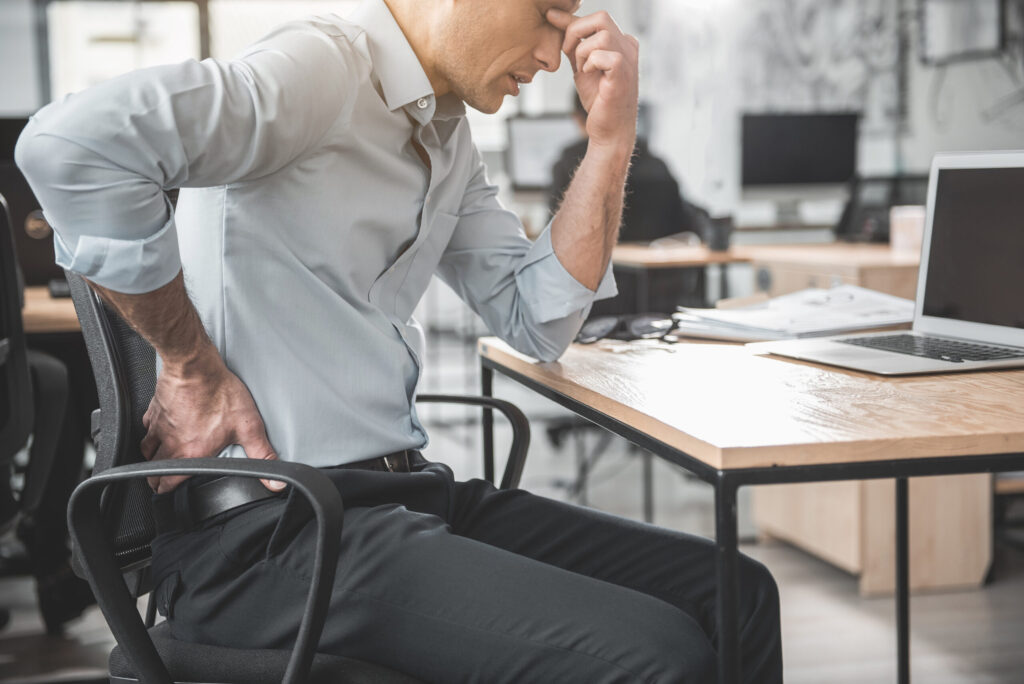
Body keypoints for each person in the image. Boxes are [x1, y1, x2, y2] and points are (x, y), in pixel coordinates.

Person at [16, 0, 781, 681]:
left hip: (397, 497)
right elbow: (70, 144)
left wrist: (610, 144)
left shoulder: (445, 138)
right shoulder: (321, 69)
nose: (555, 55)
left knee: (737, 594)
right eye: (548, 12)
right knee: (658, 656)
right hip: (272, 535)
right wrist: (188, 363)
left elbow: (538, 317)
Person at [549, 95, 709, 315]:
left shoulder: (569, 163)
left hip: (595, 304)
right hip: (660, 303)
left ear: (578, 118)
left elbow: (555, 237)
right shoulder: (656, 163)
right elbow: (686, 225)